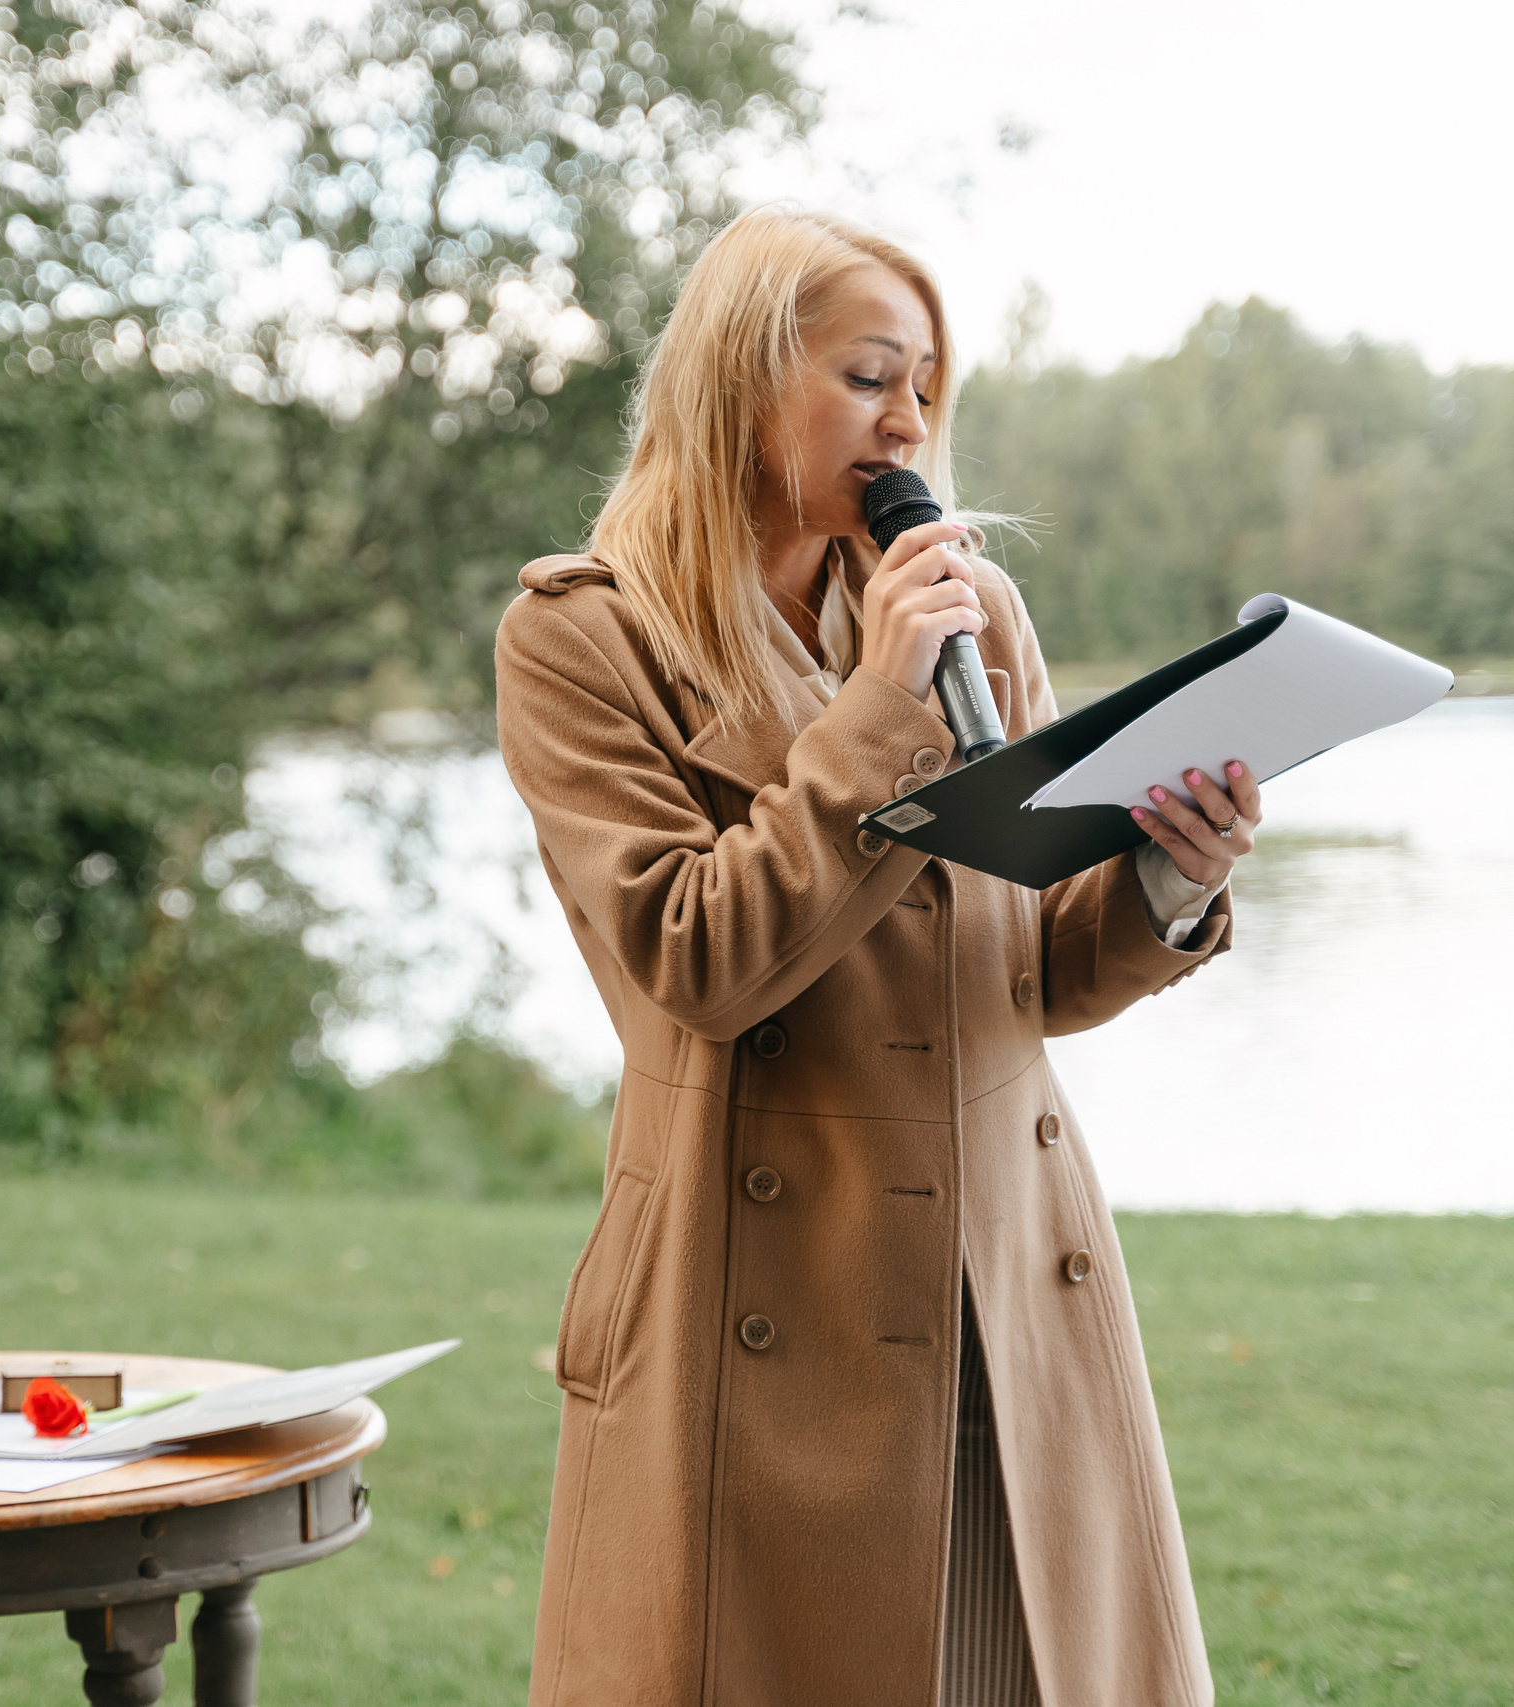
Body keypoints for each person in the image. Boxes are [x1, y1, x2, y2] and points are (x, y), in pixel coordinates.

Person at [494, 206, 1263, 1707]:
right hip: (767, 1302)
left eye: (926, 387)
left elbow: (1026, 970)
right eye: (869, 377)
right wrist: (877, 716)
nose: (910, 422)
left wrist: (1167, 873)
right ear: (737, 381)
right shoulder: (583, 642)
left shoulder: (975, 616)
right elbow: (696, 961)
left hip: (1008, 1294)